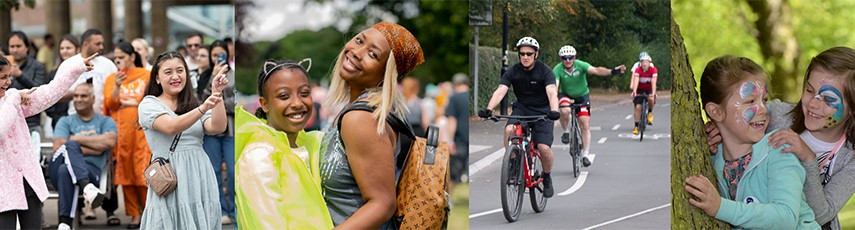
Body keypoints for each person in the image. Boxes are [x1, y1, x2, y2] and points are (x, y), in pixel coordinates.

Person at [707, 47, 855, 229]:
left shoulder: (851, 157)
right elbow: (737, 116)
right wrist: (715, 128)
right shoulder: (776, 115)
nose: (814, 104)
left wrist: (808, 159)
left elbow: (821, 215)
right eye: (809, 90)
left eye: (829, 100)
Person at [685, 55, 819, 229]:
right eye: (750, 101)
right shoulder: (711, 160)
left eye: (764, 100)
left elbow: (786, 218)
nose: (763, 109)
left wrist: (720, 207)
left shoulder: (777, 149)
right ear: (716, 112)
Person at [320, 21, 423, 228]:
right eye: (359, 40)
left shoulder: (361, 118)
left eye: (373, 54)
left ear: (385, 75)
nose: (357, 52)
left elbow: (383, 204)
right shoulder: (354, 110)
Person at [0, 52, 95, 230]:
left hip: (28, 181)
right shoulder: (14, 98)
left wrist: (76, 68)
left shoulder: (14, 98)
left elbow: (49, 93)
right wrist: (14, 98)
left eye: (9, 76)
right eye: (3, 77)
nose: (9, 82)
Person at [235, 59, 333, 229]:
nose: (297, 103)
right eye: (284, 96)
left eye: (304, 93)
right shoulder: (260, 156)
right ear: (264, 104)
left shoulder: (308, 143)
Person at [138, 51, 227, 229]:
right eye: (168, 72)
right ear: (157, 78)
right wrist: (203, 108)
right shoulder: (149, 104)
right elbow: (171, 127)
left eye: (180, 70)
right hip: (169, 173)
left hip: (198, 172)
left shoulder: (194, 104)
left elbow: (217, 127)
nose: (175, 76)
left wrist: (217, 94)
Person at [478, 37, 561, 197]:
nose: (525, 57)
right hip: (521, 109)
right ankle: (513, 162)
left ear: (535, 54)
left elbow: (552, 92)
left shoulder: (545, 71)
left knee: (543, 148)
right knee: (509, 129)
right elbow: (501, 90)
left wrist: (554, 110)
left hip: (543, 111)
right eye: (522, 53)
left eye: (529, 53)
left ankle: (547, 176)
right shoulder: (513, 71)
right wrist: (489, 108)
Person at [50, 82, 117, 230]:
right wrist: (94, 147)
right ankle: (87, 187)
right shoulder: (65, 121)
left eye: (84, 96)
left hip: (91, 172)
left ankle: (65, 224)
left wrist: (75, 139)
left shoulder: (105, 121)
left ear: (93, 99)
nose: (79, 99)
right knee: (69, 148)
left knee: (65, 170)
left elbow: (110, 141)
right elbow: (58, 146)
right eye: (76, 96)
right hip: (60, 173)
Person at [103, 41, 151, 228]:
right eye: (116, 58)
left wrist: (131, 103)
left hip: (143, 132)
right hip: (121, 133)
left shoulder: (146, 75)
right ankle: (134, 216)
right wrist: (117, 86)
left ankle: (149, 213)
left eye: (121, 57)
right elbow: (111, 103)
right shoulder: (111, 79)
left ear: (132, 57)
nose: (118, 61)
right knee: (125, 175)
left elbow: (150, 99)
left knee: (143, 172)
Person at [553, 45, 625, 167]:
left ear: (574, 57)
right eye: (565, 58)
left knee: (584, 123)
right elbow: (555, 86)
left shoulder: (581, 65)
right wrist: (553, 100)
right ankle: (566, 131)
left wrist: (613, 71)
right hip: (566, 95)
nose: (568, 60)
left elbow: (597, 70)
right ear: (561, 59)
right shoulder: (558, 69)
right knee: (564, 111)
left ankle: (585, 154)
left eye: (570, 57)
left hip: (582, 95)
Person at [197, 39, 237, 225]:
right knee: (213, 172)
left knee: (232, 169)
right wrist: (212, 83)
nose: (217, 58)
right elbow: (201, 103)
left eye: (221, 54)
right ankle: (220, 210)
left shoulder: (234, 75)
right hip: (210, 132)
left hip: (230, 131)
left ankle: (234, 210)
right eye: (214, 55)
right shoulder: (204, 76)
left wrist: (219, 97)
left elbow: (234, 104)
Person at [66, 29, 118, 116]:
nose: (101, 47)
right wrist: (80, 94)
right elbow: (57, 94)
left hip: (102, 119)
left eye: (102, 44)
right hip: (75, 118)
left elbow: (116, 90)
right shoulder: (69, 64)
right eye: (97, 44)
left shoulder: (108, 64)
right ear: (86, 44)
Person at [7, 31, 48, 135]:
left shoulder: (38, 66)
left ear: (27, 47)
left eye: (18, 46)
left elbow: (39, 91)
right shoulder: (3, 68)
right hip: (7, 121)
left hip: (31, 122)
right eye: (12, 46)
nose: (15, 50)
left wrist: (19, 75)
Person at [44, 35, 79, 129]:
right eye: (62, 48)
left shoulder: (84, 70)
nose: (64, 51)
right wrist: (56, 116)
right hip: (59, 120)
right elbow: (47, 97)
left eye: (68, 48)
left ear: (78, 49)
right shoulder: (53, 73)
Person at [446, 73, 470, 183]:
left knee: (456, 172)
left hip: (459, 139)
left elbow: (452, 121)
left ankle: (457, 197)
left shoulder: (454, 98)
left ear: (455, 84)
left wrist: (450, 140)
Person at [631, 53, 658, 134]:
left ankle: (649, 112)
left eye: (646, 62)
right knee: (638, 107)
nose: (644, 64)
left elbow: (653, 82)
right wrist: (634, 92)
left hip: (649, 89)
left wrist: (653, 93)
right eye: (642, 62)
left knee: (651, 98)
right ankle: (636, 126)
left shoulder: (653, 70)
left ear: (649, 63)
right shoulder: (638, 70)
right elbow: (636, 80)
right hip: (640, 89)